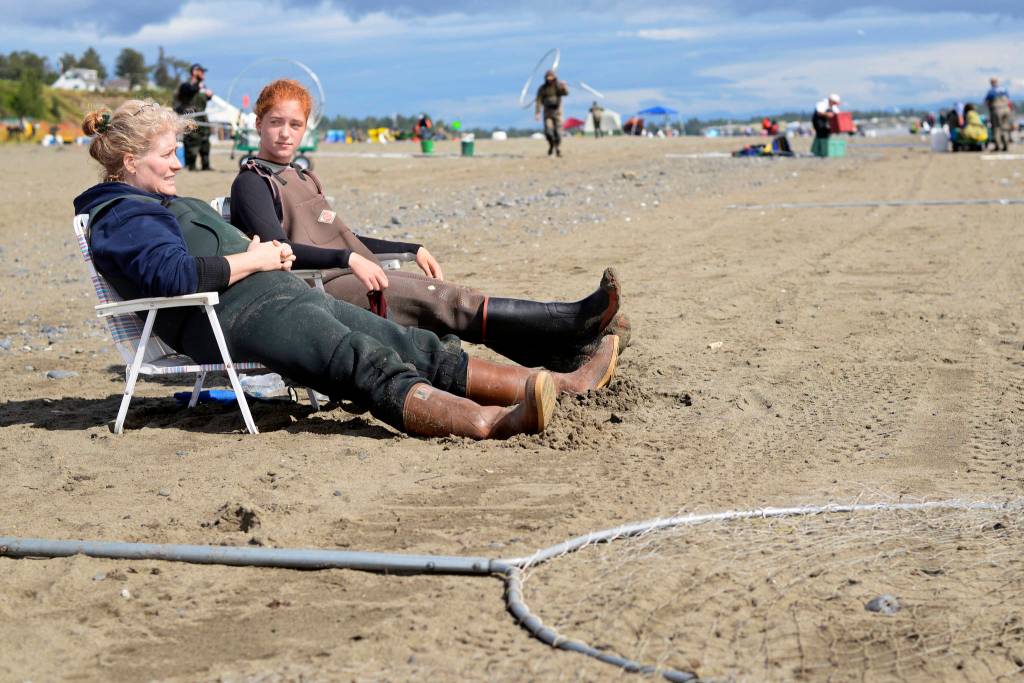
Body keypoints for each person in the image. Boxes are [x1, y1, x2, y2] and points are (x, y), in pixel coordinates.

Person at [72, 100, 618, 440]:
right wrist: (257, 257)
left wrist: (266, 259)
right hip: (231, 317)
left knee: (411, 344)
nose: (176, 163)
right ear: (127, 161)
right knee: (365, 362)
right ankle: (490, 422)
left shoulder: (154, 205)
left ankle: (558, 384)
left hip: (271, 296)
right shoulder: (121, 215)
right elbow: (173, 279)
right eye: (167, 154)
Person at [230, 79, 627, 376]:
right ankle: (571, 321)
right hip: (319, 288)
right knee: (445, 301)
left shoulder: (303, 175)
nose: (285, 133)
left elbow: (344, 237)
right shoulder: (252, 182)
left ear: (305, 128)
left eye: (294, 124)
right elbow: (281, 250)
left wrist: (410, 246)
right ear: (258, 123)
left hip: (351, 270)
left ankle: (567, 354)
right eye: (275, 122)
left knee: (450, 298)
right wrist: (348, 258)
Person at [174, 63, 213, 171]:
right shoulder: (186, 85)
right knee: (192, 140)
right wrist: (198, 86)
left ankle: (206, 165)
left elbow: (204, 98)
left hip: (202, 116)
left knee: (205, 140)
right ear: (195, 72)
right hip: (190, 116)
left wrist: (209, 95)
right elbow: (191, 91)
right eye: (201, 71)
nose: (204, 74)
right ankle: (192, 165)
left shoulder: (202, 86)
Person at [535, 70, 568, 156]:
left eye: (551, 77)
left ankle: (557, 148)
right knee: (548, 132)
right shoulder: (542, 89)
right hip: (547, 113)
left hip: (558, 112)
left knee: (559, 133)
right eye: (548, 77)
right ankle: (551, 145)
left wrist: (564, 86)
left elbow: (565, 93)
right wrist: (537, 112)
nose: (550, 79)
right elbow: (538, 101)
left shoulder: (558, 86)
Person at [984, 77, 1013, 152]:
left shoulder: (991, 91)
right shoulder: (1004, 89)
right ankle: (1006, 145)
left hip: (997, 110)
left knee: (996, 128)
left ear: (991, 83)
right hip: (1006, 109)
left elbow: (987, 101)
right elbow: (1009, 100)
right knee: (1005, 127)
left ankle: (997, 145)